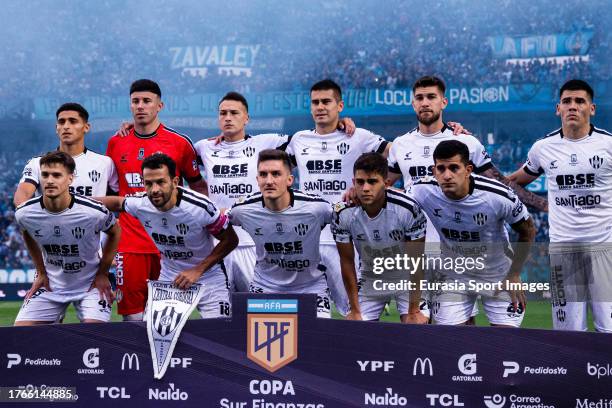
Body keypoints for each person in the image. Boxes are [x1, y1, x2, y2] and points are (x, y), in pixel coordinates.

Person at [386, 75, 546, 322]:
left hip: (469, 247)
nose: (425, 103)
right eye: (419, 98)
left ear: (444, 102)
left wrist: (541, 203)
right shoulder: (400, 144)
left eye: (431, 97)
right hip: (421, 247)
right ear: (412, 103)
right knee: (426, 326)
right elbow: (384, 187)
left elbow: (499, 185)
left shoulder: (466, 141)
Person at [194, 91, 356, 292]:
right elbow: (185, 170)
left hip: (254, 242)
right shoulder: (203, 147)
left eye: (234, 113)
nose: (228, 118)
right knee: (224, 312)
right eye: (223, 113)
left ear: (247, 118)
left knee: (257, 310)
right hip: (221, 241)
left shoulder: (267, 142)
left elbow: (310, 141)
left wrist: (337, 124)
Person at [508, 79, 612, 332]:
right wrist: (538, 202)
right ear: (558, 108)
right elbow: (511, 182)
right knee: (568, 332)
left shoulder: (608, 144)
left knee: (608, 329)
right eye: (567, 101)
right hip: (564, 249)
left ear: (592, 108)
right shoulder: (543, 148)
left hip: (605, 248)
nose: (573, 106)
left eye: (580, 101)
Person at [285, 79, 392, 316]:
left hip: (345, 237)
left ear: (340, 105)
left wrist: (449, 133)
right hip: (307, 237)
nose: (320, 107)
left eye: (326, 101)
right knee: (306, 312)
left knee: (355, 309)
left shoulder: (358, 137)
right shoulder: (299, 139)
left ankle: (358, 352)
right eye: (315, 102)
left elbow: (397, 154)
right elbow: (273, 167)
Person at [106, 79, 207, 321]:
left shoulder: (179, 143)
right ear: (130, 105)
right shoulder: (116, 142)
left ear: (159, 105)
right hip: (130, 244)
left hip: (172, 244)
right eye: (135, 101)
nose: (140, 106)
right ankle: (138, 360)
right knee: (133, 318)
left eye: (146, 101)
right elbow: (112, 191)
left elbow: (198, 186)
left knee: (167, 319)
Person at [409, 140, 535, 327]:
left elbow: (529, 230)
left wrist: (515, 274)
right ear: (434, 170)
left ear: (468, 170)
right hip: (454, 275)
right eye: (441, 169)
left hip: (498, 275)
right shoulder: (421, 190)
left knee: (505, 343)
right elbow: (391, 198)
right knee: (452, 342)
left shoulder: (498, 196)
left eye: (454, 168)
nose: (447, 175)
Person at [96, 153, 238, 318]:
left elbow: (230, 240)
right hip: (170, 276)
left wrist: (197, 270)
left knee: (219, 332)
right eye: (148, 183)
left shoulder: (200, 207)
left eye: (161, 182)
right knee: (156, 334)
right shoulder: (141, 204)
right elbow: (117, 203)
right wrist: (76, 201)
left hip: (209, 276)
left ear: (175, 182)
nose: (154, 190)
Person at [13, 151, 120, 325]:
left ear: (70, 179)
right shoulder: (25, 212)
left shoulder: (94, 212)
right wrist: (40, 272)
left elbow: (116, 231)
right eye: (45, 175)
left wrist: (103, 273)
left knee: (95, 334)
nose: (49, 180)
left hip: (90, 284)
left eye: (56, 175)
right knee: (21, 334)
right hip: (51, 285)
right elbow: (26, 232)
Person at [228, 149, 333, 318]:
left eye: (276, 174)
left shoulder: (317, 208)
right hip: (266, 286)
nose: (269, 181)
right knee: (259, 341)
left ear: (290, 180)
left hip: (311, 286)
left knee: (316, 338)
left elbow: (347, 216)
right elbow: (215, 220)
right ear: (257, 179)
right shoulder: (242, 210)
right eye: (263, 175)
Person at [332, 152, 428, 323]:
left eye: (372, 181)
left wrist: (414, 310)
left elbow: (417, 262)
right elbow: (346, 261)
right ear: (353, 183)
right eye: (360, 182)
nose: (365, 188)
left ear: (386, 183)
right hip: (370, 275)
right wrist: (354, 310)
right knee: (356, 325)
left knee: (416, 325)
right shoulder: (342, 212)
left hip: (406, 276)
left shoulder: (407, 208)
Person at [14, 103, 118, 206]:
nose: (66, 126)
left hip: (92, 223)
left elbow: (121, 199)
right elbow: (22, 197)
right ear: (56, 128)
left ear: (86, 127)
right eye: (61, 122)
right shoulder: (37, 163)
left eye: (73, 121)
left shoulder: (105, 163)